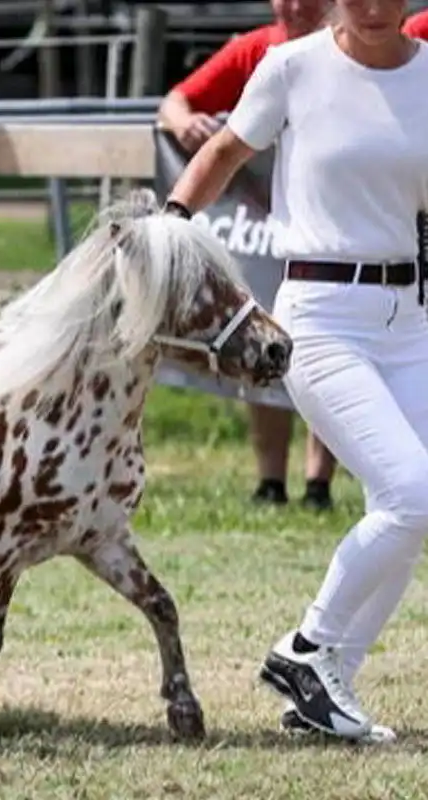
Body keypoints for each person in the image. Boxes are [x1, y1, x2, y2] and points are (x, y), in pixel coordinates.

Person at [164, 0, 428, 743]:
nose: (373, 8)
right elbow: (222, 154)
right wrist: (170, 227)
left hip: (412, 315)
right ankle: (307, 650)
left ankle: (325, 684)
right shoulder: (291, 67)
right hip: (320, 315)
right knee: (413, 492)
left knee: (408, 506)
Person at [157, 0, 339, 512]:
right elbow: (184, 110)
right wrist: (186, 124)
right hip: (262, 233)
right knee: (265, 345)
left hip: (335, 237)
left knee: (326, 357)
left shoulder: (353, 50)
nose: (298, 5)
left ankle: (321, 483)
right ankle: (271, 480)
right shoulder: (260, 53)